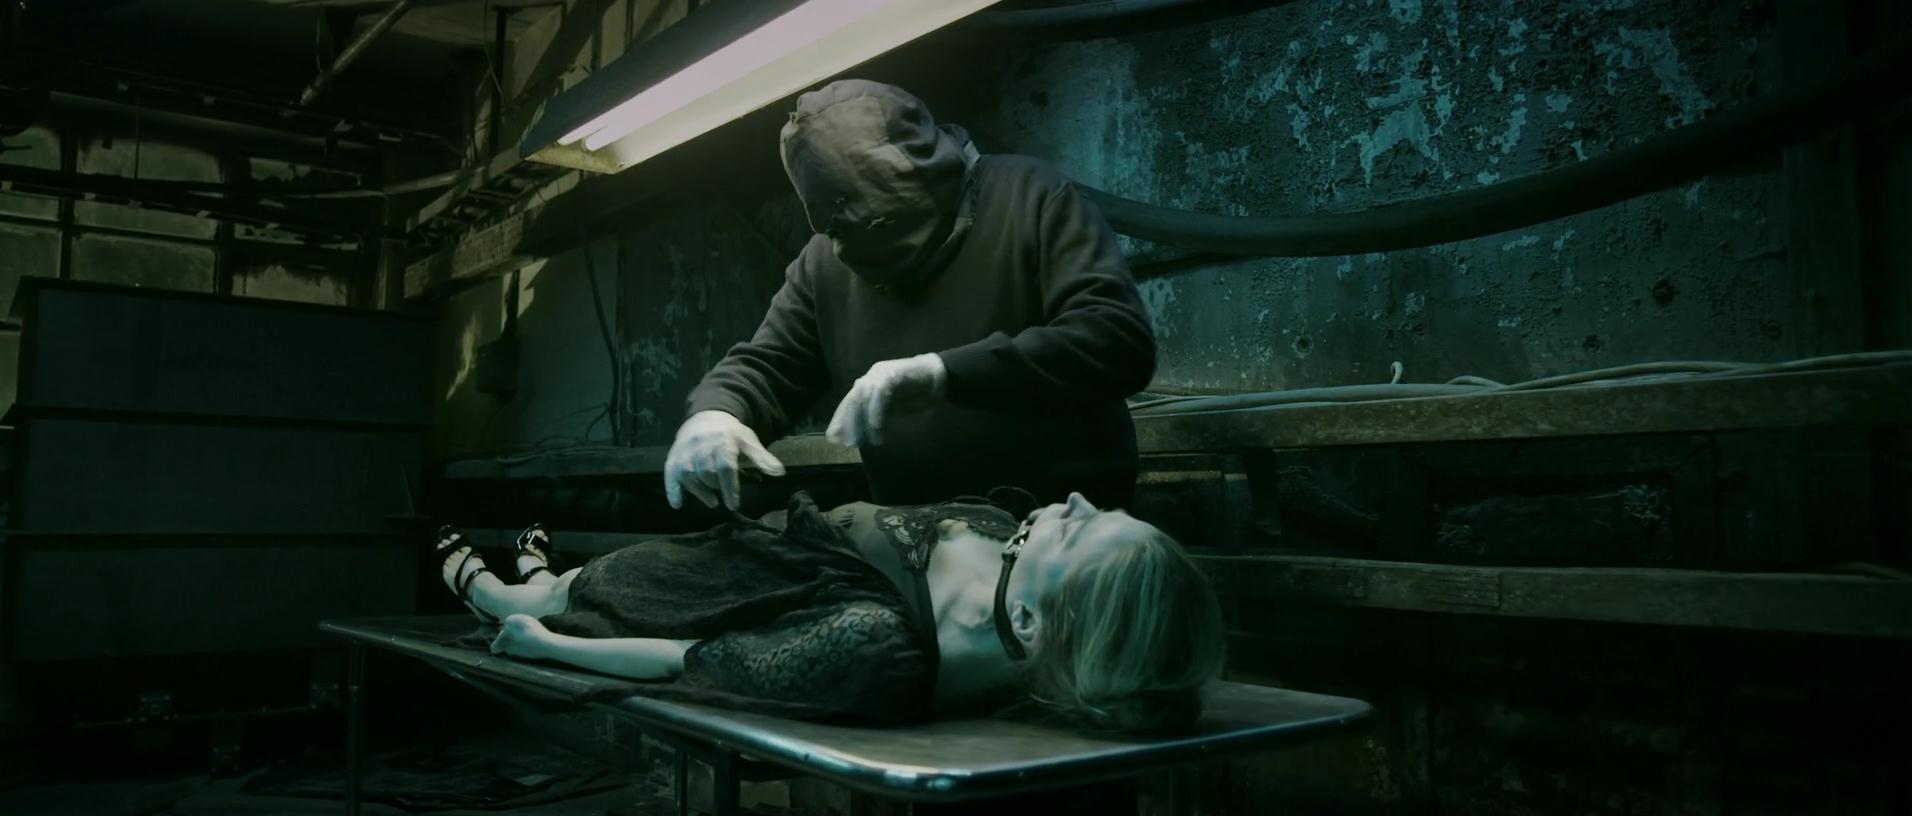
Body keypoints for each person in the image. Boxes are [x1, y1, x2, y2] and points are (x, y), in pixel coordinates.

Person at [663, 79, 1156, 513]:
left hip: (1064, 527)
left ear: (938, 177)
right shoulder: (826, 261)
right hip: (924, 538)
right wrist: (718, 413)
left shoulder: (1029, 195)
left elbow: (1115, 338)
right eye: (847, 233)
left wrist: (941, 372)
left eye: (887, 223)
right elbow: (771, 364)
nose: (872, 255)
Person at [435, 490, 1225, 733]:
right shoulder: (1004, 542)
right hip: (755, 545)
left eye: (1081, 529)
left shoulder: (876, 652)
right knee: (582, 577)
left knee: (572, 595)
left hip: (706, 595)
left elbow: (690, 659)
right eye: (1100, 511)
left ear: (1029, 624)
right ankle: (543, 575)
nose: (1077, 500)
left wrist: (546, 647)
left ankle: (509, 591)